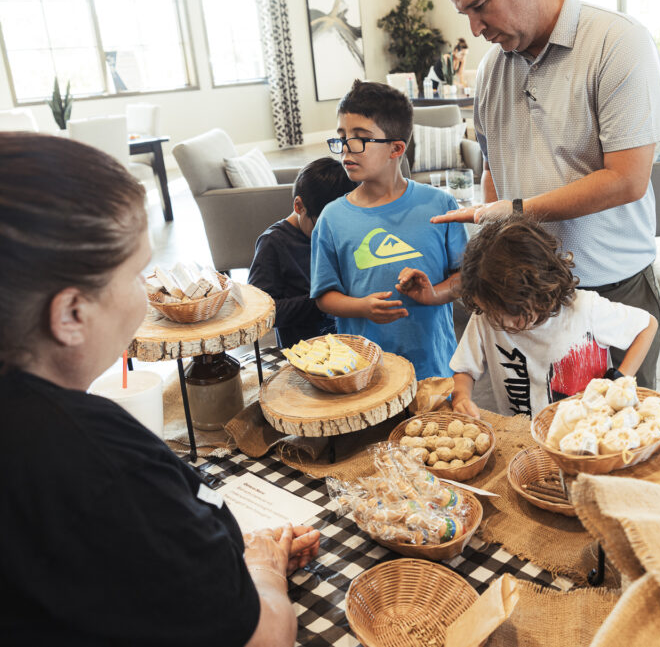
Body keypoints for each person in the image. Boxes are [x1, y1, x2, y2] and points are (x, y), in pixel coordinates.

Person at [0, 133, 320, 645]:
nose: (148, 289)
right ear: (71, 314)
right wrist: (262, 568)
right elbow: (264, 637)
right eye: (135, 274)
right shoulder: (106, 464)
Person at [435, 0, 660, 389]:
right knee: (539, 436)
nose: (474, 28)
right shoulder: (491, 70)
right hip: (524, 294)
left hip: (612, 290)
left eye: (480, 6)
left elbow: (627, 178)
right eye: (463, 13)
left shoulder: (617, 42)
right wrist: (495, 242)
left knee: (619, 442)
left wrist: (517, 211)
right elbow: (493, 168)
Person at [311, 80, 468, 380]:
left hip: (434, 369)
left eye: (360, 139)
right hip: (365, 372)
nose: (346, 149)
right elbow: (325, 296)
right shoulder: (332, 219)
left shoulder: (440, 204)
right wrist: (362, 307)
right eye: (341, 137)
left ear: (396, 148)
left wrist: (435, 294)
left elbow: (465, 277)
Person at [449, 217, 658, 418]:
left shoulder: (584, 309)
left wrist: (619, 382)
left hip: (588, 431)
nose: (504, 324)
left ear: (540, 289)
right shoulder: (486, 315)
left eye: (515, 315)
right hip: (524, 435)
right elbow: (464, 368)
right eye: (494, 314)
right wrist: (461, 398)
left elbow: (647, 325)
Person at [248, 157, 356, 348]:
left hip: (350, 341)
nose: (332, 235)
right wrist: (323, 301)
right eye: (323, 226)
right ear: (299, 206)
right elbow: (262, 312)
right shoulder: (273, 243)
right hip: (305, 352)